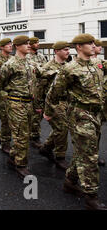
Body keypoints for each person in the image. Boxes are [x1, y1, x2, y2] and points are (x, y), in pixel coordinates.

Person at [44, 34, 106, 210]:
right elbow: (54, 92)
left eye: (94, 43)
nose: (94, 46)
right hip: (80, 115)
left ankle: (70, 181)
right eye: (90, 43)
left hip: (96, 114)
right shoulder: (70, 69)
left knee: (83, 152)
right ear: (79, 47)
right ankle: (91, 196)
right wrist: (48, 111)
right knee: (90, 156)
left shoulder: (97, 64)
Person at [0, 36, 37, 178]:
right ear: (17, 46)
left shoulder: (29, 62)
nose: (28, 45)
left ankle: (12, 157)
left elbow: (35, 82)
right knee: (21, 136)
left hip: (28, 103)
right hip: (15, 103)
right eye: (25, 44)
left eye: (29, 43)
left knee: (24, 134)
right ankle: (20, 165)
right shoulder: (10, 64)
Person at [36, 41, 71, 170]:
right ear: (57, 51)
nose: (68, 51)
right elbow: (40, 88)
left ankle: (46, 148)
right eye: (65, 49)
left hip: (67, 102)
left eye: (68, 49)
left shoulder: (69, 66)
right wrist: (39, 106)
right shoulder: (47, 67)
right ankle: (60, 157)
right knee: (62, 128)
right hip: (53, 102)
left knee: (60, 129)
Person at [26, 37, 47, 148]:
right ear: (30, 44)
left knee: (39, 113)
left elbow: (45, 70)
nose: (38, 44)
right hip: (33, 89)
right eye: (36, 42)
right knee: (35, 114)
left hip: (42, 88)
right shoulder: (27, 57)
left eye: (38, 42)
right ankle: (34, 136)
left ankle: (32, 133)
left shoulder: (41, 56)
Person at [92, 39, 106, 167]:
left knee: (98, 131)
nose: (99, 48)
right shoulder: (77, 64)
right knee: (89, 134)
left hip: (100, 103)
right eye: (97, 46)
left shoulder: (100, 62)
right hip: (84, 107)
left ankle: (94, 155)